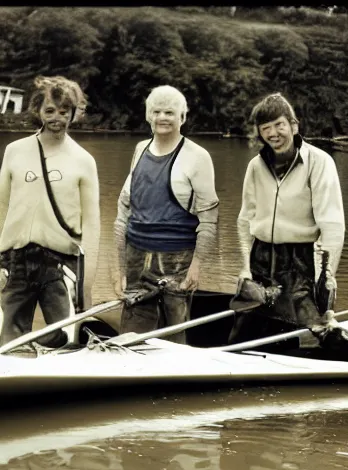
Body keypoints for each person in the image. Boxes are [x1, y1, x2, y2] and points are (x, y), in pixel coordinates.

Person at [229, 92, 348, 363]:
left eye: (279, 125)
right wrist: (245, 267)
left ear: (293, 125)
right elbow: (244, 220)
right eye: (266, 128)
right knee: (244, 333)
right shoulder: (255, 166)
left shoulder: (320, 162)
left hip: (300, 261)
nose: (273, 133)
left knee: (312, 330)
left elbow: (333, 225)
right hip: (261, 259)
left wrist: (328, 276)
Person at [0, 75, 101, 349]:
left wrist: (87, 285)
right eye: (50, 110)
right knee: (9, 345)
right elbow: (2, 209)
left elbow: (92, 226)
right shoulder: (14, 152)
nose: (57, 117)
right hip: (16, 262)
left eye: (64, 111)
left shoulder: (84, 160)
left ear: (74, 113)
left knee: (66, 344)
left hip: (60, 265)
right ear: (37, 111)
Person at [113, 85, 219, 343]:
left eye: (170, 112)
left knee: (173, 336)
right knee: (132, 335)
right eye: (156, 111)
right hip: (136, 257)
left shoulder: (198, 157)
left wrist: (197, 266)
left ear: (182, 118)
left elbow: (208, 218)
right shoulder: (140, 150)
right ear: (148, 116)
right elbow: (123, 213)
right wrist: (118, 269)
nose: (162, 117)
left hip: (177, 261)